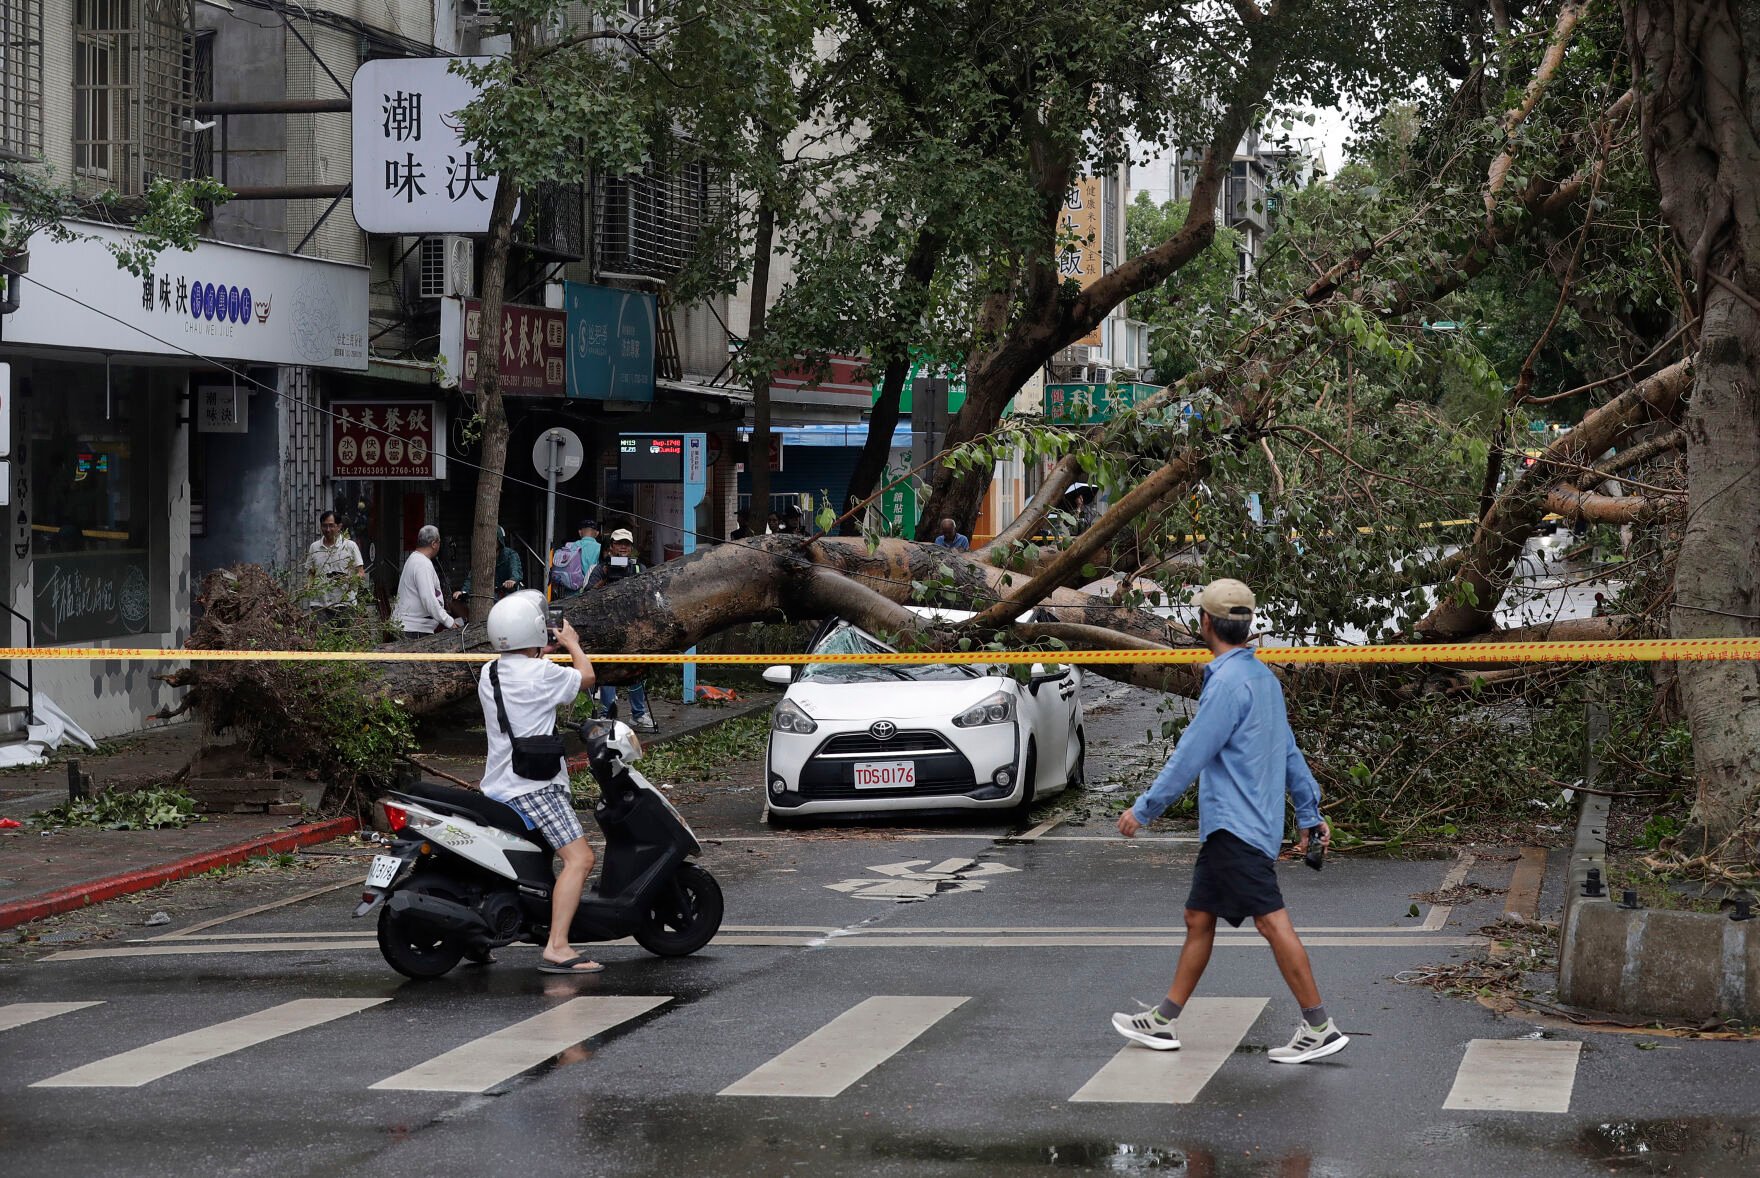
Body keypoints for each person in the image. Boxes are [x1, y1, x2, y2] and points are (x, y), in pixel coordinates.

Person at [1111, 578, 1346, 1065]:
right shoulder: (1263, 679)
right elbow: (1288, 752)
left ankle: (1319, 1024)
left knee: (1271, 922)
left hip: (1235, 827)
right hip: (1251, 825)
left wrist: (1145, 809)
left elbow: (1191, 753)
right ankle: (1163, 1020)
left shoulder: (1227, 684)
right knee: (1199, 918)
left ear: (1205, 624)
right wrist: (1307, 811)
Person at [479, 591, 600, 974]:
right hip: (535, 788)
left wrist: (538, 650)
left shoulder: (490, 672)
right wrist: (572, 643)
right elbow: (586, 677)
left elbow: (525, 676)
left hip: (497, 785)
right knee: (580, 859)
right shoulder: (543, 673)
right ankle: (558, 946)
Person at [584, 528, 657, 732]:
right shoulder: (600, 569)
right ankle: (607, 716)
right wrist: (605, 579)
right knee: (608, 671)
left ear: (631, 548)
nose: (623, 547)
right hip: (606, 628)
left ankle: (639, 715)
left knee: (636, 669)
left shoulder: (638, 568)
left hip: (632, 628)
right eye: (619, 543)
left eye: (627, 543)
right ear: (612, 547)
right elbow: (586, 596)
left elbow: (648, 594)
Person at [392, 525, 461, 639]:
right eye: (439, 542)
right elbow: (428, 599)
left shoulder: (415, 559)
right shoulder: (422, 564)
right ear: (434, 544)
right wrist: (449, 621)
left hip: (411, 627)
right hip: (413, 629)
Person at [304, 510, 364, 612]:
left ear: (339, 526)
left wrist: (348, 579)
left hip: (345, 603)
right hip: (319, 604)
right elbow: (311, 572)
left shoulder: (350, 546)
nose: (328, 529)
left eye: (331, 526)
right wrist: (309, 584)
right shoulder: (314, 547)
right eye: (324, 526)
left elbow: (361, 573)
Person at [456, 526, 524, 606]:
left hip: (510, 595)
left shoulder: (510, 555)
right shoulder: (482, 558)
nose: (489, 542)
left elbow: (515, 569)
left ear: (499, 540)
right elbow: (472, 576)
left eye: (493, 539)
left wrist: (512, 580)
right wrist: (463, 591)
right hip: (491, 596)